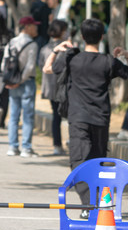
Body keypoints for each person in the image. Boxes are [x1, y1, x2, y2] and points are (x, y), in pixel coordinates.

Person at [45, 18, 128, 205]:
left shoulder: (72, 58)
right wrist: (125, 54)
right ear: (102, 36)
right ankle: (95, 202)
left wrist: (55, 51)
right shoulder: (109, 62)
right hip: (101, 119)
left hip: (78, 118)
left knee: (79, 160)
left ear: (82, 37)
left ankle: (89, 203)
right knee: (98, 161)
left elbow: (47, 69)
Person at [5, 16, 40, 157]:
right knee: (27, 116)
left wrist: (10, 80)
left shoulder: (11, 42)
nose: (36, 28)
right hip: (27, 82)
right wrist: (21, 80)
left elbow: (4, 63)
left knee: (13, 115)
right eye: (34, 26)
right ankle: (26, 147)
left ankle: (12, 147)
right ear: (27, 27)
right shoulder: (32, 44)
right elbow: (30, 65)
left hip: (12, 83)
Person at [39, 19, 68, 156]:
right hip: (63, 87)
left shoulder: (45, 48)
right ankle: (67, 142)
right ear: (62, 31)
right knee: (67, 115)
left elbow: (40, 66)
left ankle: (57, 145)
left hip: (49, 87)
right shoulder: (65, 49)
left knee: (56, 115)